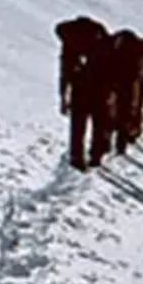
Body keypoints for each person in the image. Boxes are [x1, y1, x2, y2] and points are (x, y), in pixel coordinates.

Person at [55, 16, 113, 171]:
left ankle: (77, 158)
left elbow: (65, 71)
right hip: (99, 87)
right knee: (99, 122)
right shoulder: (101, 38)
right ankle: (96, 155)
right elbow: (109, 66)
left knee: (78, 125)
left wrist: (63, 96)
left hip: (78, 88)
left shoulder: (69, 43)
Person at [108, 29, 143, 154]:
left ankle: (113, 141)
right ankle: (123, 141)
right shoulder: (139, 51)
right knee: (128, 113)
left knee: (115, 113)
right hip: (132, 86)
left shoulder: (116, 49)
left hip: (117, 85)